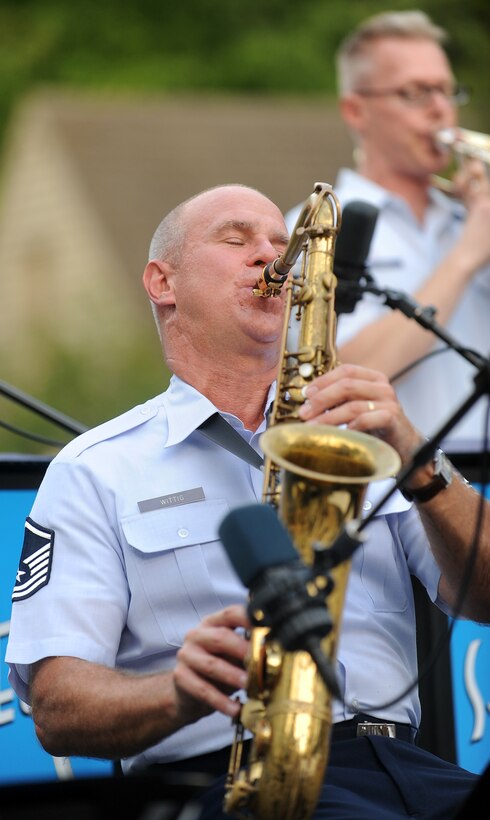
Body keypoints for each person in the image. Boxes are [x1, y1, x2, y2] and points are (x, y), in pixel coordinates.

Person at [5, 183, 490, 820]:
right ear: (162, 282)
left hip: (412, 768)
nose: (270, 256)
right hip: (231, 780)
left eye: (280, 243)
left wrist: (416, 460)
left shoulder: (363, 436)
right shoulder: (96, 468)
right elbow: (58, 707)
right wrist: (178, 693)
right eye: (237, 240)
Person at [285, 9, 490, 453]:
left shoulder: (473, 215)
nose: (441, 109)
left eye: (446, 90)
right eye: (415, 93)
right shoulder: (315, 227)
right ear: (356, 111)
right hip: (393, 486)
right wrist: (466, 256)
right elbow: (339, 375)